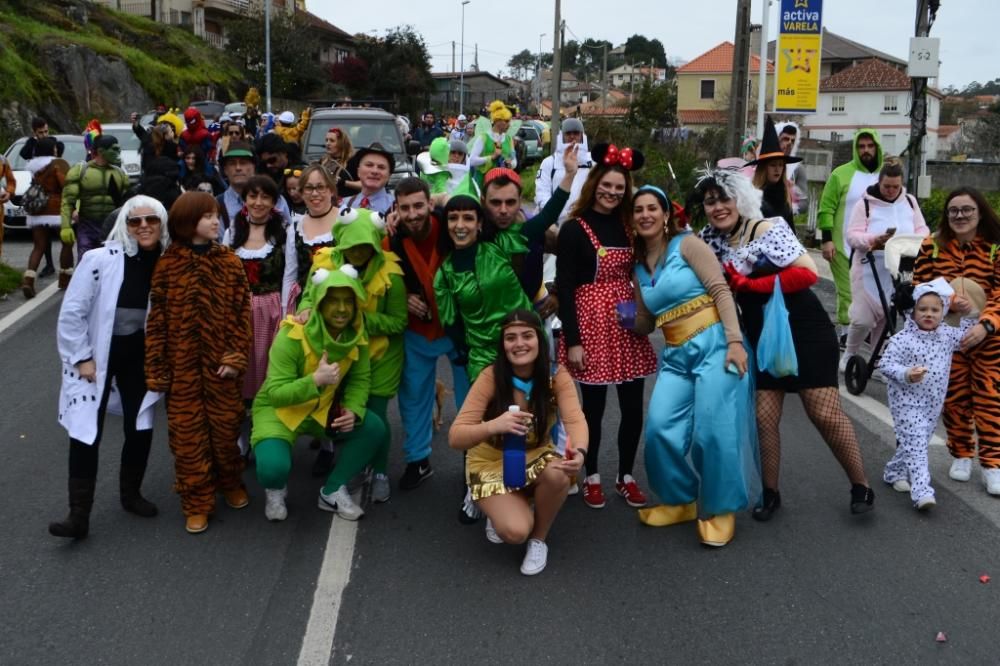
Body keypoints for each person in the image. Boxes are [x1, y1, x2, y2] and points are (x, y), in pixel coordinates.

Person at [695, 166, 875, 517]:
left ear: (740, 199)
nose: (717, 207)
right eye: (709, 201)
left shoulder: (765, 227)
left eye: (724, 199)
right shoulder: (708, 240)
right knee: (764, 417)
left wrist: (749, 286)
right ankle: (770, 493)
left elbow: (806, 272)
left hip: (803, 328)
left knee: (822, 412)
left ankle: (861, 485)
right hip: (761, 334)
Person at [629, 185, 758, 547]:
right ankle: (678, 500)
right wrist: (625, 322)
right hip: (675, 355)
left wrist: (734, 342)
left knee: (713, 432)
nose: (645, 215)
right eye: (638, 210)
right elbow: (646, 321)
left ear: (666, 213)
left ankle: (721, 509)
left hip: (715, 345)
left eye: (652, 208)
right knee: (658, 429)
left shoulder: (687, 245)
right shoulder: (637, 266)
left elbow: (720, 291)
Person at [49, 195, 170, 539]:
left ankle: (131, 494)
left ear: (161, 223)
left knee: (140, 425)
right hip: (98, 356)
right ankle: (78, 515)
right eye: (135, 221)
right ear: (124, 226)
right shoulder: (99, 259)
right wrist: (81, 357)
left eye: (151, 220)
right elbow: (72, 312)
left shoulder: (167, 262)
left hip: (140, 355)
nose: (144, 226)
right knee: (86, 430)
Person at [144, 191, 253, 534]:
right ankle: (196, 501)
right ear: (188, 222)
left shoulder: (229, 262)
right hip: (183, 372)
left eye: (216, 215)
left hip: (222, 370)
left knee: (225, 433)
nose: (215, 221)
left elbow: (241, 315)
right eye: (207, 216)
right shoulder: (168, 265)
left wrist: (236, 357)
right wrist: (158, 369)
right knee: (188, 441)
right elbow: (157, 321)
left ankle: (231, 482)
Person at [556, 143, 657, 509]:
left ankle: (626, 476)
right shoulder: (574, 229)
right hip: (590, 320)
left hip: (626, 316)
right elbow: (564, 288)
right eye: (607, 185)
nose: (613, 192)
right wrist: (573, 341)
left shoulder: (630, 225)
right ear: (594, 182)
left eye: (620, 188)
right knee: (592, 410)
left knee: (633, 407)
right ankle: (592, 475)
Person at [449, 309, 587, 575]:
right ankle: (494, 505)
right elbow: (456, 436)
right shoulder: (491, 376)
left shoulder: (555, 376)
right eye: (511, 338)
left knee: (560, 474)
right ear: (503, 345)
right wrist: (494, 425)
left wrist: (579, 453)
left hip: (535, 454)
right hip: (490, 460)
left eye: (527, 335)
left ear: (540, 339)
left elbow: (576, 420)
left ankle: (539, 539)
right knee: (514, 532)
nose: (520, 343)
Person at [251, 265, 388, 522]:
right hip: (279, 411)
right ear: (320, 303)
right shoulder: (291, 335)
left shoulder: (356, 336)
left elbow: (360, 380)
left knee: (373, 428)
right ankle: (276, 487)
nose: (342, 309)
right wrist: (314, 380)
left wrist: (353, 409)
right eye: (333, 301)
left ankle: (333, 489)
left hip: (321, 411)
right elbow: (276, 393)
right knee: (272, 469)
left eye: (348, 301)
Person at [297, 208, 407, 498]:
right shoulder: (323, 263)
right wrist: (305, 309)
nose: (358, 252)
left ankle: (380, 471)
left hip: (382, 353)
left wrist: (359, 318)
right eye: (352, 246)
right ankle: (352, 466)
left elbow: (399, 321)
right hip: (341, 353)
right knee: (349, 415)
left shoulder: (391, 275)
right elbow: (309, 295)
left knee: (377, 417)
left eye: (365, 246)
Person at [912, 187, 1000, 495]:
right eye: (954, 211)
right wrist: (945, 302)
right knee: (953, 398)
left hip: (990, 339)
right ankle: (961, 454)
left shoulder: (995, 247)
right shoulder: (932, 246)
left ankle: (992, 464)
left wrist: (985, 324)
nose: (960, 216)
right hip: (945, 337)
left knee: (990, 399)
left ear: (980, 213)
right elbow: (919, 287)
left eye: (967, 210)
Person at [388, 177, 472, 489]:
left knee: (470, 398)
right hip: (418, 331)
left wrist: (443, 196)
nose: (412, 214)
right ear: (396, 208)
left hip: (457, 329)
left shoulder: (451, 224)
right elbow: (378, 278)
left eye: (418, 205)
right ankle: (418, 459)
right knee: (413, 398)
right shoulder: (391, 237)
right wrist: (402, 297)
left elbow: (476, 211)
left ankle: (472, 461)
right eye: (405, 207)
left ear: (429, 204)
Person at [879, 278, 975, 510]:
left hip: (933, 403)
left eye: (935, 309)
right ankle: (922, 491)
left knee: (915, 442)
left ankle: (893, 472)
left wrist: (969, 313)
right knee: (918, 445)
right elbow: (885, 365)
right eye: (922, 309)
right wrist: (906, 373)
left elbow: (967, 336)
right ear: (912, 311)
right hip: (906, 402)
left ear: (943, 311)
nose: (929, 314)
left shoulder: (947, 335)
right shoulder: (902, 339)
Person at [221, 175, 289, 456]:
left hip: (271, 312)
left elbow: (289, 275)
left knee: (268, 372)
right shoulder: (232, 233)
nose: (258, 202)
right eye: (253, 196)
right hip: (239, 314)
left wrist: (286, 314)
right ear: (245, 200)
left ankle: (267, 433)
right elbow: (224, 276)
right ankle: (241, 439)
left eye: (265, 197)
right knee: (242, 371)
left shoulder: (282, 233)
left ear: (274, 203)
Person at [842, 157, 929, 370]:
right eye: (886, 186)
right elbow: (852, 235)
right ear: (879, 183)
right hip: (870, 267)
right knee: (862, 319)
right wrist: (874, 240)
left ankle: (878, 357)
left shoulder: (909, 201)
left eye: (895, 187)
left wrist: (916, 242)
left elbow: (923, 229)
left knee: (888, 316)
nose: (891, 191)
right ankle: (850, 352)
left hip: (903, 267)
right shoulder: (865, 204)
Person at [818, 128, 884, 333]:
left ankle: (868, 337)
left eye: (870, 146)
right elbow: (826, 208)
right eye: (861, 146)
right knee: (849, 292)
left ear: (877, 147)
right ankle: (847, 334)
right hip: (843, 247)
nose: (866, 150)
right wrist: (826, 239)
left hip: (876, 247)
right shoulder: (840, 174)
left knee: (874, 293)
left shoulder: (886, 175)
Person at [60, 134, 130, 262]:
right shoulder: (81, 171)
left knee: (111, 266)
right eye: (114, 149)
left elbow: (127, 204)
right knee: (86, 263)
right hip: (87, 225)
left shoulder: (120, 173)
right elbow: (67, 201)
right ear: (101, 151)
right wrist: (65, 226)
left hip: (112, 227)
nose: (118, 152)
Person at [21, 137, 71, 299]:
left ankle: (28, 280)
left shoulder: (33, 166)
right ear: (52, 149)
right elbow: (66, 185)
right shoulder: (59, 164)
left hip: (37, 210)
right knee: (67, 242)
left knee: (39, 246)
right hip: (56, 209)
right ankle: (65, 279)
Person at [284, 164, 340, 308]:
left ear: (331, 190)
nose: (315, 193)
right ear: (302, 193)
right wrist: (286, 311)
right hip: (306, 307)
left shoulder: (345, 220)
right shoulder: (295, 228)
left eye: (320, 187)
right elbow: (290, 276)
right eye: (309, 188)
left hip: (341, 303)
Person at [217, 140, 291, 234]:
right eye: (232, 163)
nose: (238, 168)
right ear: (225, 169)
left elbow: (289, 236)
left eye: (243, 162)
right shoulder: (218, 204)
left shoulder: (276, 199)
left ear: (254, 167)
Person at [534, 117, 592, 225]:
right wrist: (551, 217)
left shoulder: (592, 162)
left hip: (585, 222)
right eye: (568, 133)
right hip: (555, 222)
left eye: (576, 133)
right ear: (562, 136)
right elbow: (542, 192)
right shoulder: (549, 163)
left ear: (582, 135)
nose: (572, 136)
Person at [748, 116, 802, 227]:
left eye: (781, 165)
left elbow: (790, 229)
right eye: (773, 165)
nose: (777, 169)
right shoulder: (753, 195)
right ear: (763, 168)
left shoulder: (785, 193)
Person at [469, 101, 517, 186]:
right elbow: (472, 160)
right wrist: (492, 157)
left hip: (503, 182)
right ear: (497, 120)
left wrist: (510, 164)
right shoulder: (484, 137)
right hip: (484, 183)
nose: (509, 125)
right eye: (506, 121)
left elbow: (514, 161)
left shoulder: (509, 139)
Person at [342, 143, 395, 215]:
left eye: (381, 167)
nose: (374, 171)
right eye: (369, 165)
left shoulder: (396, 207)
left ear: (389, 175)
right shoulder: (344, 204)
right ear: (358, 172)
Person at [775, 122, 808, 214]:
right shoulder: (762, 164)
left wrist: (788, 209)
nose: (789, 143)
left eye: (792, 140)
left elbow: (804, 202)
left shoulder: (797, 168)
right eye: (785, 139)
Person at [320, 127, 359, 198]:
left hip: (347, 204)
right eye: (326, 140)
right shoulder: (323, 161)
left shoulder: (353, 161)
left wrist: (343, 182)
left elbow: (364, 186)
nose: (327, 143)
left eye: (332, 141)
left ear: (341, 143)